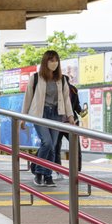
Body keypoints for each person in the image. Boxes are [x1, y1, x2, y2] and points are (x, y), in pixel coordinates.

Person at [21, 50, 74, 187]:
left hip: (56, 115)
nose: (54, 63)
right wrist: (23, 118)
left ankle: (48, 176)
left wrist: (70, 116)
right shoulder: (36, 78)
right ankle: (39, 173)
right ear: (45, 62)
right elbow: (28, 98)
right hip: (40, 114)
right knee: (47, 143)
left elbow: (66, 99)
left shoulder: (62, 79)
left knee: (53, 146)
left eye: (56, 60)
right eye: (51, 60)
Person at [53, 77, 83, 176]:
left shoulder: (73, 90)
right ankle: (59, 170)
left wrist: (81, 112)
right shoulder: (55, 91)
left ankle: (76, 170)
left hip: (70, 123)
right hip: (58, 123)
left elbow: (76, 106)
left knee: (73, 146)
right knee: (56, 146)